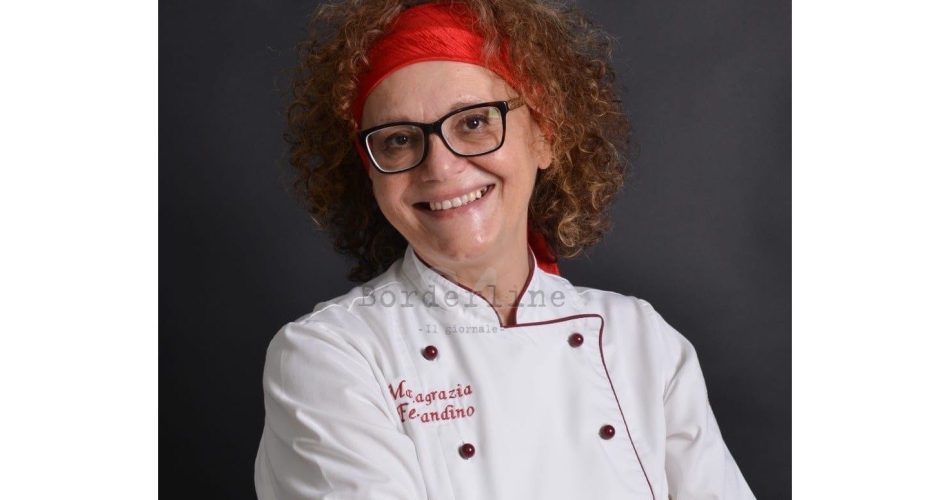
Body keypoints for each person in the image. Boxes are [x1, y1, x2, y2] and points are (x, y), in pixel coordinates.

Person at [254, 1, 756, 498]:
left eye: (474, 123)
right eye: (399, 140)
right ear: (371, 171)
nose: (440, 168)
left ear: (545, 135)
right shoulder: (330, 355)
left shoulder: (643, 341)